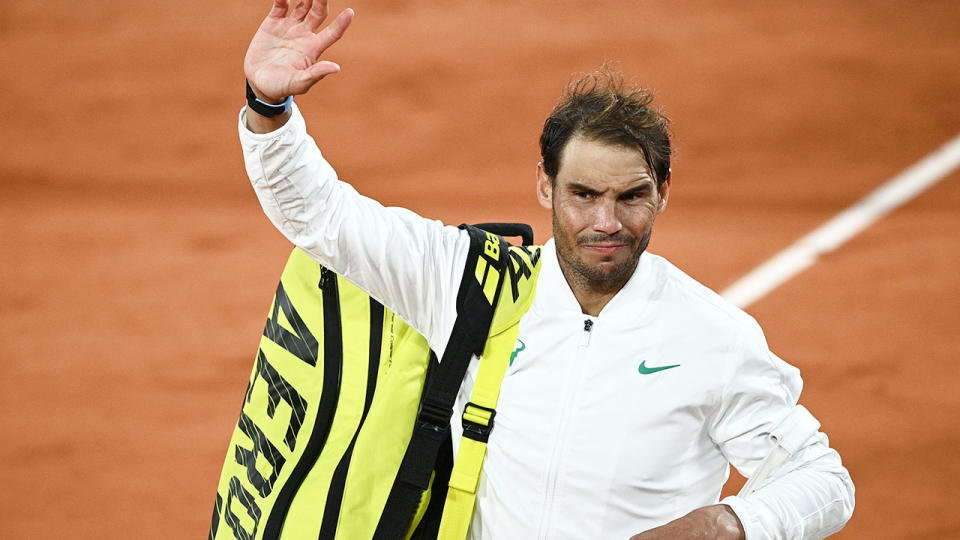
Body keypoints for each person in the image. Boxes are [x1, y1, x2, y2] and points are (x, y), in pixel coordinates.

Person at [237, 1, 855, 538]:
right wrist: (269, 104)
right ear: (545, 186)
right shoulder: (470, 285)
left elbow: (823, 478)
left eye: (631, 196)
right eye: (584, 194)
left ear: (663, 191)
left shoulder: (714, 338)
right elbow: (320, 214)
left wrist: (733, 523)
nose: (607, 222)